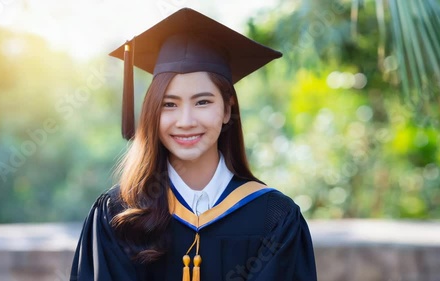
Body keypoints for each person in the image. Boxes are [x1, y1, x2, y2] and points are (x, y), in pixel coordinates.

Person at [70, 7, 317, 281]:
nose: (185, 121)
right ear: (152, 112)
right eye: (169, 104)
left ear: (227, 110)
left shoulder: (274, 218)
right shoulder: (118, 215)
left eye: (203, 102)